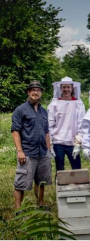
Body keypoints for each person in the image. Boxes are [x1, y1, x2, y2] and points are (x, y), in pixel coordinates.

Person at [11, 81, 52, 209]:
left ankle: (40, 203)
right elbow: (15, 131)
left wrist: (49, 150)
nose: (35, 92)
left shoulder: (43, 111)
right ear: (29, 92)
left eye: (38, 90)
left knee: (41, 181)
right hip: (27, 152)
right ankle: (18, 209)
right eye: (33, 90)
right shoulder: (20, 110)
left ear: (41, 93)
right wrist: (20, 151)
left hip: (43, 152)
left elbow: (46, 132)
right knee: (21, 183)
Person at [47, 77, 86, 172]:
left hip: (73, 142)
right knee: (59, 170)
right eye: (64, 87)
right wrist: (50, 142)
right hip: (58, 142)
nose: (66, 89)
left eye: (68, 87)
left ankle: (77, 187)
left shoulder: (78, 103)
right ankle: (59, 186)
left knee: (77, 169)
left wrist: (78, 142)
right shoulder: (54, 103)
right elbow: (50, 123)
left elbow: (81, 123)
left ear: (72, 88)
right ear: (60, 88)